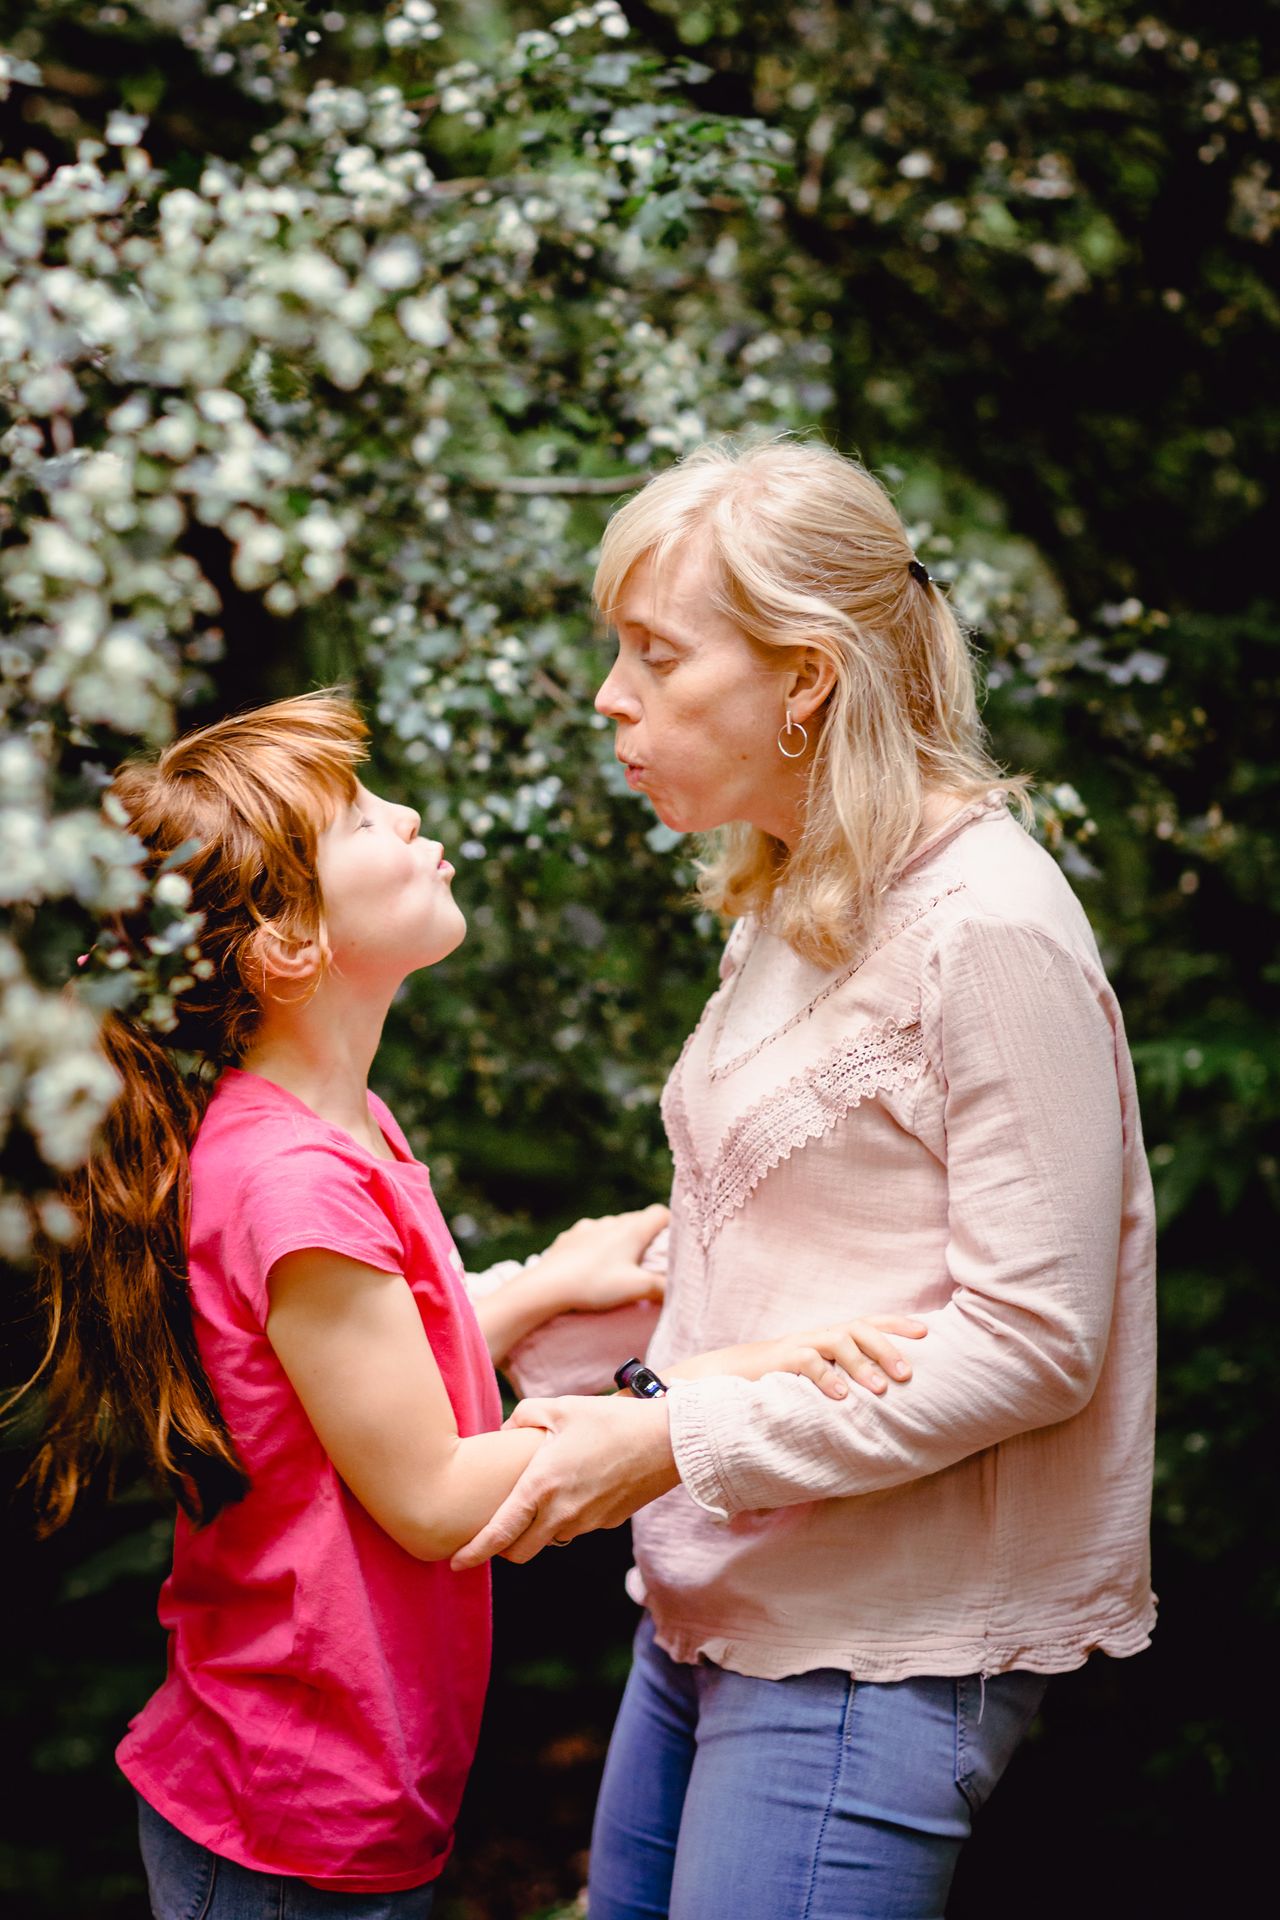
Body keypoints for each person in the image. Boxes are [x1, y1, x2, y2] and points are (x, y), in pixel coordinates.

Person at [17, 690, 923, 1919]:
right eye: (359, 818)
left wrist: (544, 1285)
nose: (405, 816)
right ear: (288, 944)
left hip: (320, 1792)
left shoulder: (323, 1128)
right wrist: (723, 1379)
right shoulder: (293, 1182)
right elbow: (437, 1498)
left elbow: (340, 1400)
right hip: (287, 1823)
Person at [453, 439, 1159, 1920]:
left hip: (869, 1650)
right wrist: (565, 1336)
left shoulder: (990, 927)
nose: (610, 697)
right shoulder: (793, 893)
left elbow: (1036, 1343)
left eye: (656, 654)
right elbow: (796, 1248)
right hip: (710, 1604)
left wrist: (667, 1441)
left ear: (805, 679)